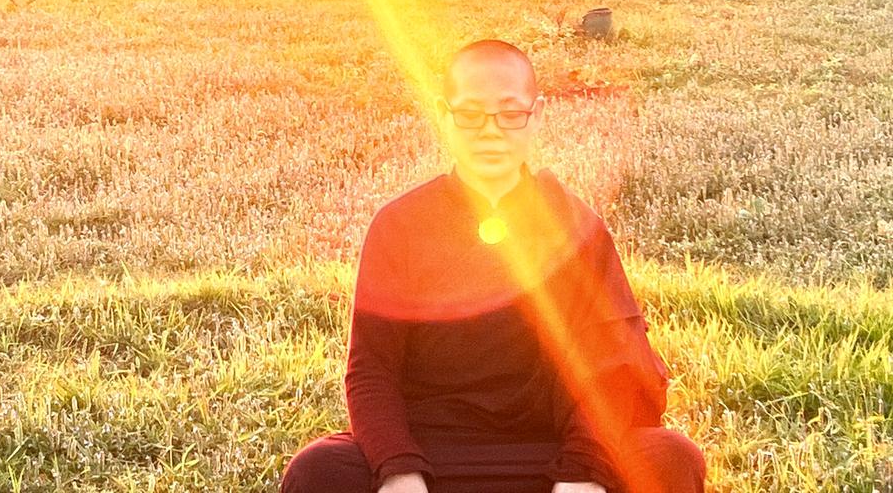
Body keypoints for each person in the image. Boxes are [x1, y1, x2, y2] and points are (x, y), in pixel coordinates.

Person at [280, 39, 706, 493]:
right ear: (444, 115)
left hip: (549, 451)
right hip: (432, 452)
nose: (490, 131)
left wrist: (583, 471)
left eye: (510, 113)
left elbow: (610, 368)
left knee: (670, 456)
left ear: (536, 115)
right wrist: (399, 470)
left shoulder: (577, 229)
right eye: (470, 114)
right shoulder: (399, 225)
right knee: (319, 469)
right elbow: (371, 369)